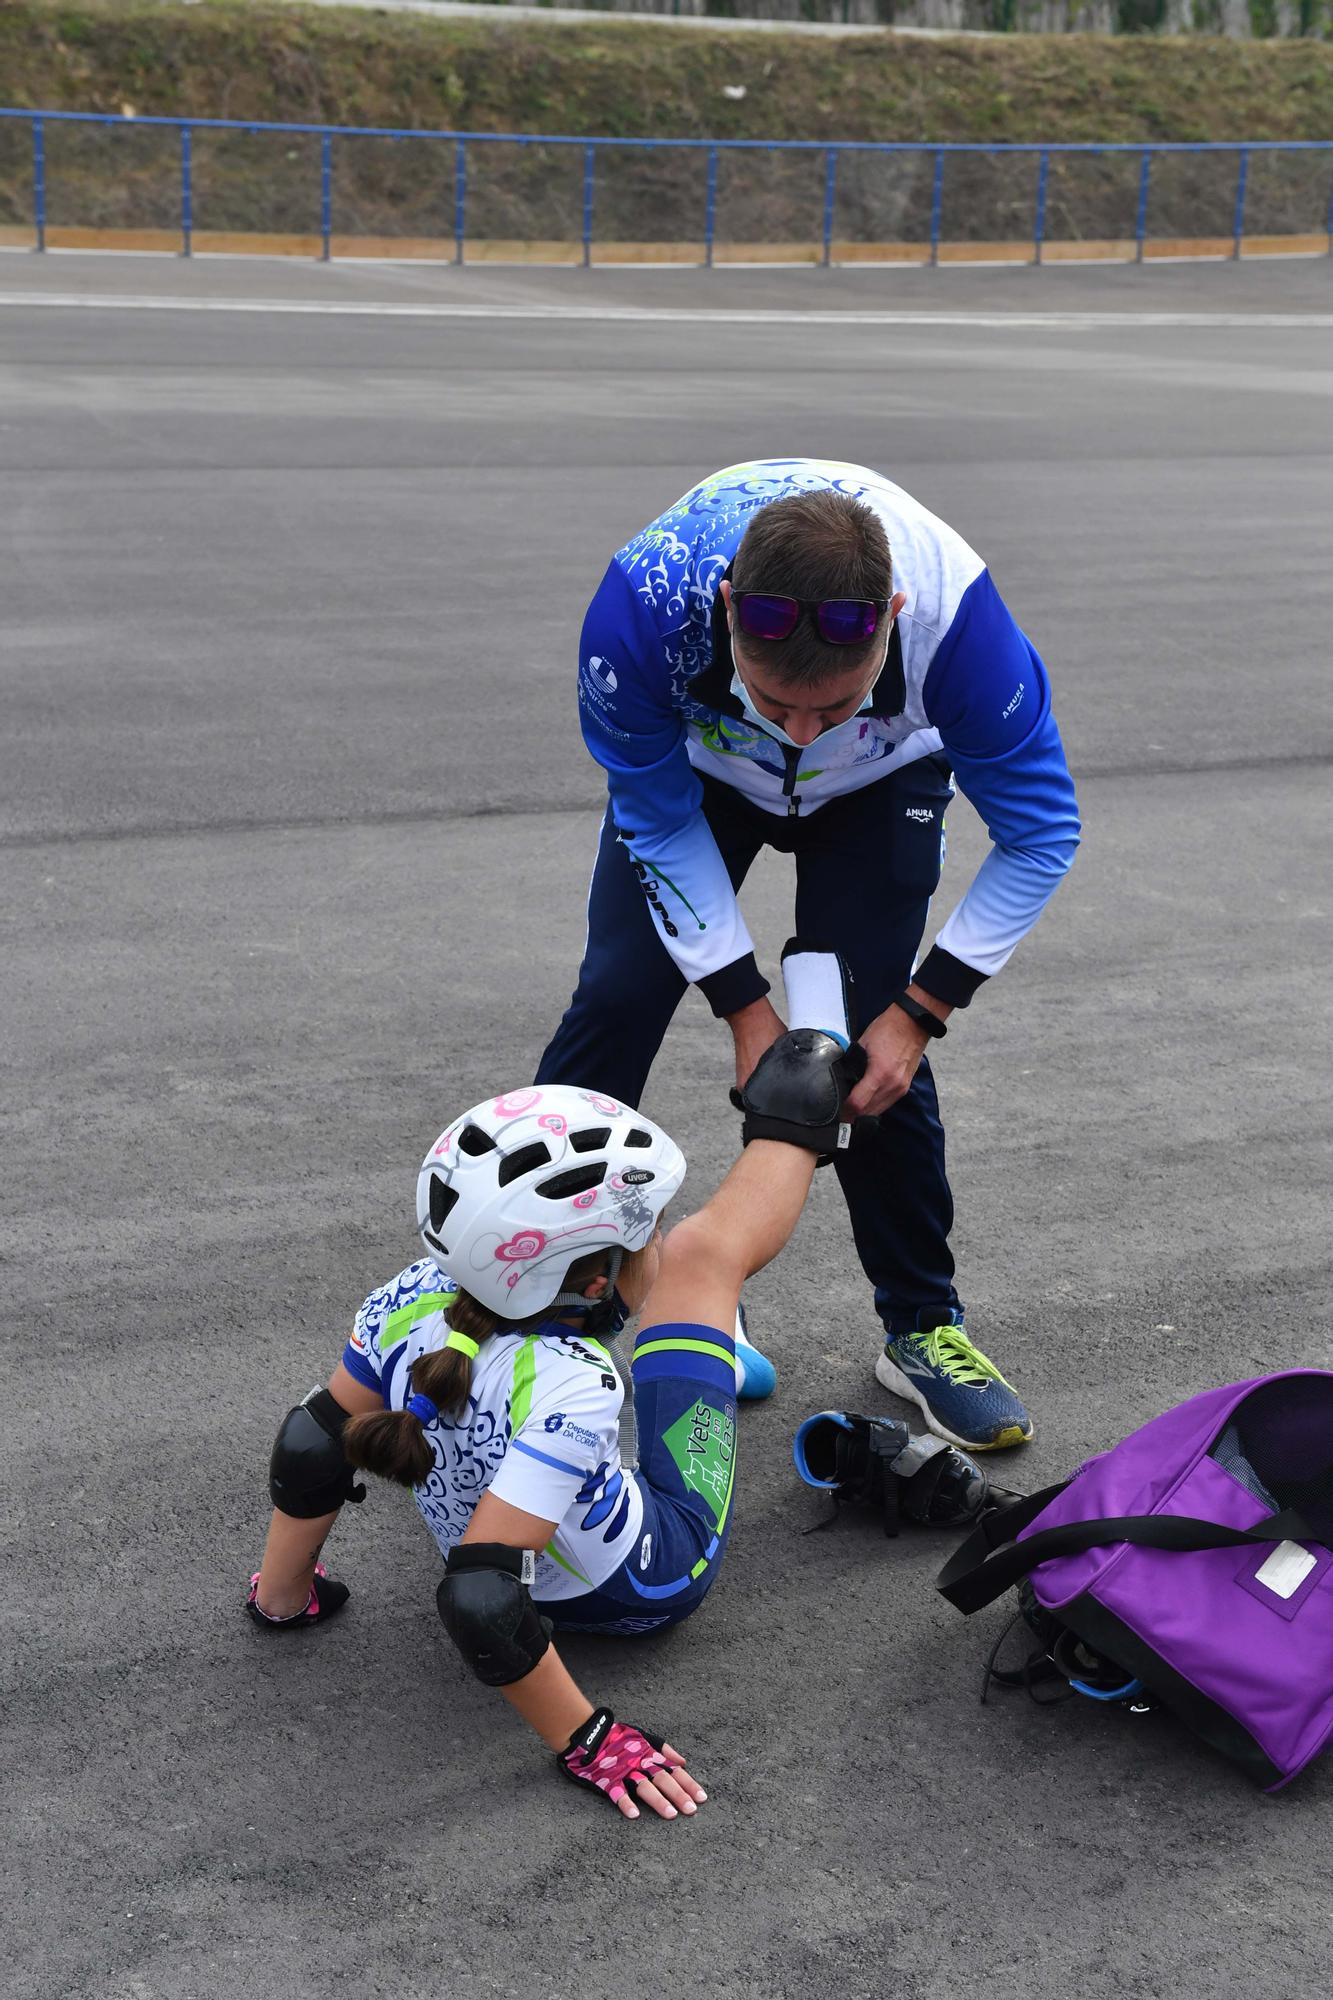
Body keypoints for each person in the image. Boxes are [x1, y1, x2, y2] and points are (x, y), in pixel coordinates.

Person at [536, 459, 1082, 1453]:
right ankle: (537, 1294)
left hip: (884, 781)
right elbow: (657, 825)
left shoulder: (959, 628)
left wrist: (919, 1009)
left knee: (867, 1049)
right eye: (775, 701)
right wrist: (746, 1006)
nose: (797, 733)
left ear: (892, 620)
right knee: (618, 992)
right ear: (725, 609)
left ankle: (922, 1327)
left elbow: (1041, 832)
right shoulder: (642, 608)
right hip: (700, 774)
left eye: (831, 708)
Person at [244, 998, 875, 1821]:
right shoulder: (575, 1382)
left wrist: (283, 1601)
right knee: (703, 1263)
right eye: (644, 1232)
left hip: (498, 1507)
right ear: (589, 1283)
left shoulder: (411, 1293)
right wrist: (593, 1741)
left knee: (667, 1288)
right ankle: (793, 1122)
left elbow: (310, 1444)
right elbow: (482, 1598)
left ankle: (706, 1349)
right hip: (640, 1582)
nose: (658, 1237)